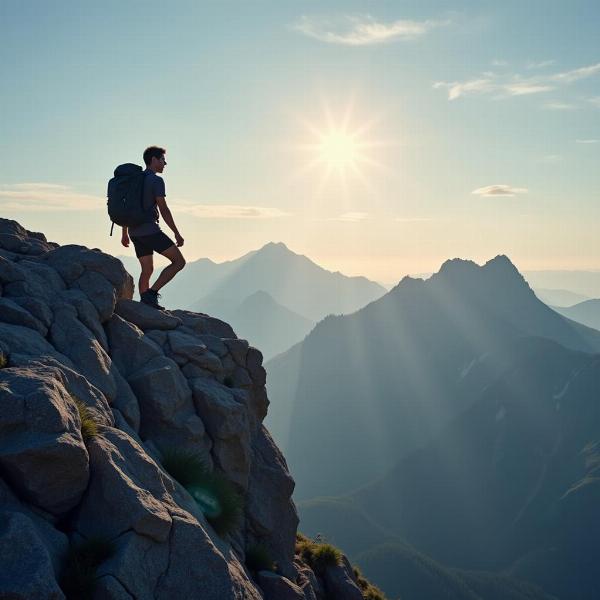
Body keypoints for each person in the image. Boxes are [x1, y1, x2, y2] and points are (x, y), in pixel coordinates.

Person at [121, 146, 185, 310]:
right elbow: (163, 209)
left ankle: (145, 306)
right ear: (154, 160)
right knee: (179, 262)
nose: (165, 163)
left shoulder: (136, 180)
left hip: (135, 232)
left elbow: (127, 207)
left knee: (147, 269)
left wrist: (125, 232)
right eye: (163, 159)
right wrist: (176, 233)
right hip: (150, 231)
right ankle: (151, 294)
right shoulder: (156, 180)